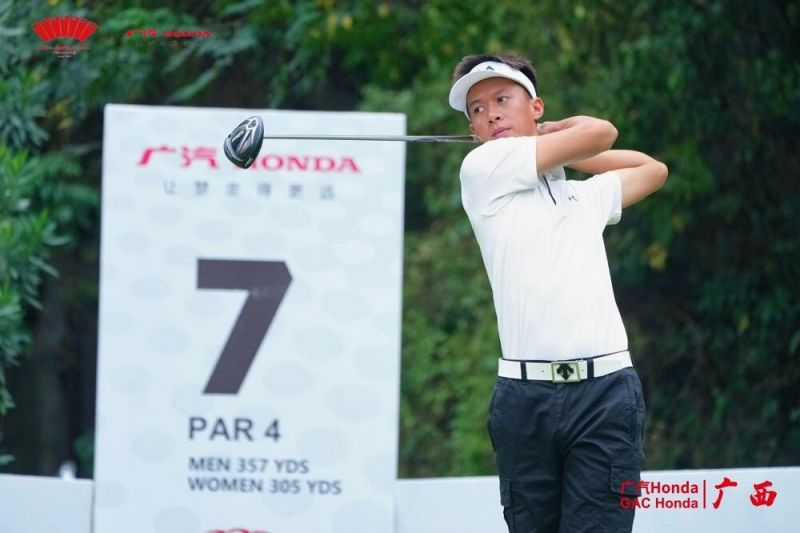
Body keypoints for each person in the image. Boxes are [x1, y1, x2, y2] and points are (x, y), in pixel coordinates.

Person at [448, 52, 668, 533]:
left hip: (605, 393)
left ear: (536, 107)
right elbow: (601, 132)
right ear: (473, 131)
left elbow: (652, 169)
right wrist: (554, 138)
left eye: (502, 100)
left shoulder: (581, 198)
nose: (491, 114)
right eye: (478, 110)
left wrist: (554, 142)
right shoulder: (481, 169)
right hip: (525, 398)